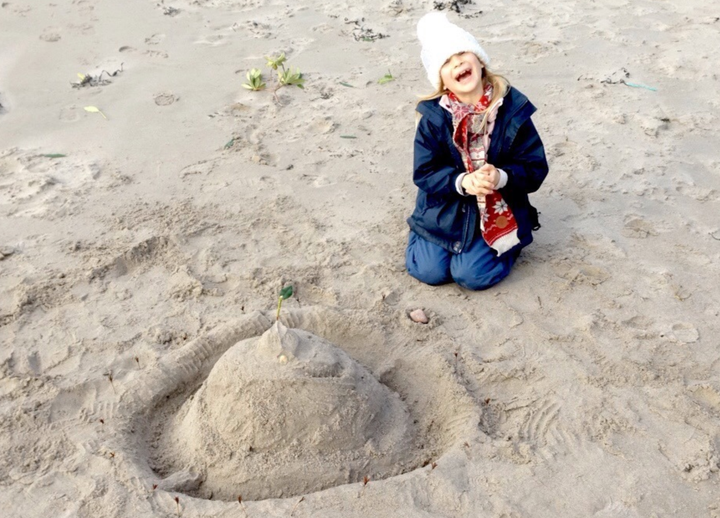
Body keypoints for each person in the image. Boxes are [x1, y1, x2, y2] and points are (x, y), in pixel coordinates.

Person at [406, 12, 549, 291]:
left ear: (479, 60)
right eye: (446, 61)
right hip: (445, 207)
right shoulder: (433, 118)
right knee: (430, 271)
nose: (457, 61)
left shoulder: (512, 110)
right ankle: (422, 233)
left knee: (471, 276)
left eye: (461, 52)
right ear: (443, 80)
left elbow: (535, 168)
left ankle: (511, 243)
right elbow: (425, 173)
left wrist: (501, 177)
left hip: (497, 207)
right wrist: (462, 181)